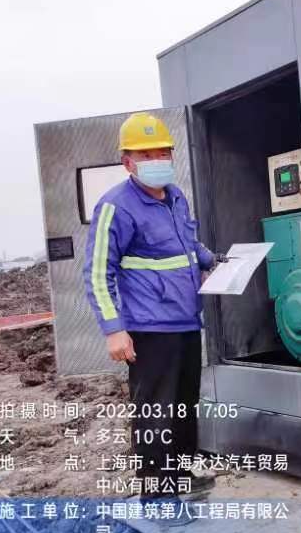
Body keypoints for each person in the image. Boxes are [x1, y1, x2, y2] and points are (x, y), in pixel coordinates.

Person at [83, 112, 222, 499]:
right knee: (155, 410)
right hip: (149, 328)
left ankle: (181, 475)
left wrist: (213, 261)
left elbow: (187, 244)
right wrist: (114, 329)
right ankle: (156, 490)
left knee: (183, 405)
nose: (157, 160)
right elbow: (97, 273)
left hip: (186, 322)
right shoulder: (115, 207)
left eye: (163, 152)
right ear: (127, 162)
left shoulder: (176, 197)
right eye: (146, 154)